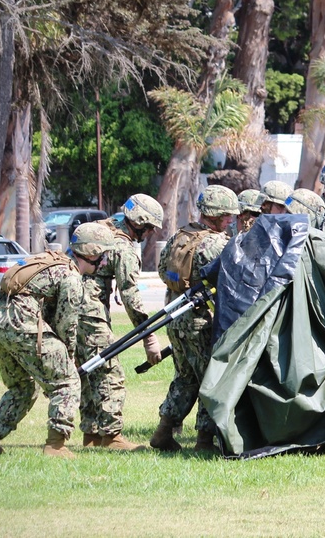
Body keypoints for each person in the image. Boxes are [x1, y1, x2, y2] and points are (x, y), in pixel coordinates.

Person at [0, 222, 117, 458]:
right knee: (68, 381)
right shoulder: (71, 277)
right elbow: (66, 325)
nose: (103, 263)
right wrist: (69, 358)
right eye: (101, 256)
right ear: (91, 253)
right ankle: (56, 445)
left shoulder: (54, 261)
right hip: (22, 324)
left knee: (23, 387)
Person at [150, 184, 238, 453]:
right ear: (214, 214)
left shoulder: (182, 235)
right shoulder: (217, 244)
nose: (230, 220)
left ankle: (164, 432)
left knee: (185, 377)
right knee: (209, 379)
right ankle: (204, 441)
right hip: (202, 321)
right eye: (227, 216)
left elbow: (163, 270)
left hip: (176, 319)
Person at [80, 193, 166, 450]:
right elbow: (131, 296)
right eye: (150, 227)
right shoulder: (123, 247)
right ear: (139, 223)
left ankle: (92, 435)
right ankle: (112, 437)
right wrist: (149, 338)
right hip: (89, 311)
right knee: (110, 372)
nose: (150, 233)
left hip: (73, 308)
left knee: (90, 370)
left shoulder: (105, 228)